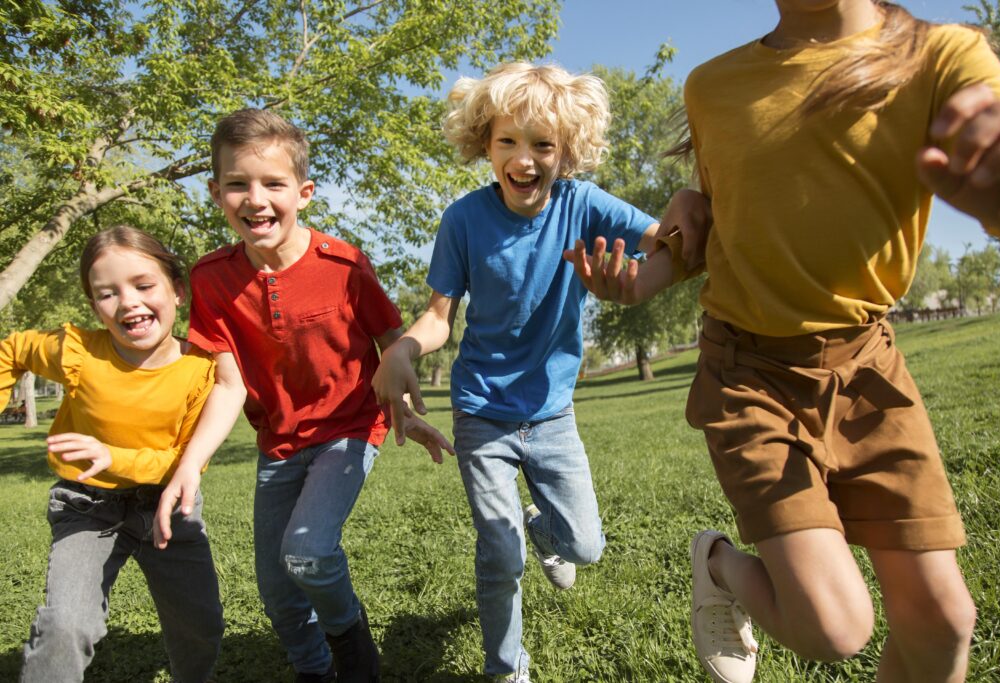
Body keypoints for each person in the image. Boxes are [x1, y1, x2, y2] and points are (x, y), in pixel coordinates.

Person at [566, 2, 1000, 682]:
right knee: (834, 627)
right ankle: (717, 562)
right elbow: (720, 221)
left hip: (870, 370)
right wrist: (634, 282)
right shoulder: (713, 86)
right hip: (749, 372)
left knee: (943, 621)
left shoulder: (939, 55)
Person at [371, 62, 664, 683]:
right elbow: (438, 317)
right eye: (509, 141)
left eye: (543, 144)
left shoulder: (583, 204)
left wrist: (653, 261)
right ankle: (507, 668)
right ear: (485, 142)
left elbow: (662, 239)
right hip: (481, 412)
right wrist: (403, 349)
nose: (524, 159)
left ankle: (543, 527)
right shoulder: (464, 220)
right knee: (499, 557)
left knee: (585, 547)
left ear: (568, 151)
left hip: (553, 412)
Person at [151, 108, 453, 683]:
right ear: (216, 193)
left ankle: (354, 652)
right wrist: (191, 463)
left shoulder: (344, 265)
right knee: (277, 591)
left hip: (350, 428)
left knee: (308, 553)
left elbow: (392, 341)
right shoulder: (211, 279)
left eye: (273, 184)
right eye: (238, 184)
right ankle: (314, 670)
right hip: (279, 445)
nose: (255, 198)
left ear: (304, 192)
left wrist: (407, 413)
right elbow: (226, 380)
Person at [1, 226, 223, 683]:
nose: (128, 303)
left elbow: (185, 461)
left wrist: (114, 456)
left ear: (177, 291)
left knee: (200, 628)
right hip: (87, 508)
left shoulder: (202, 370)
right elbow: (13, 350)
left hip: (167, 508)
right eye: (107, 294)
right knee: (65, 625)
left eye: (144, 286)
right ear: (94, 306)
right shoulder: (78, 352)